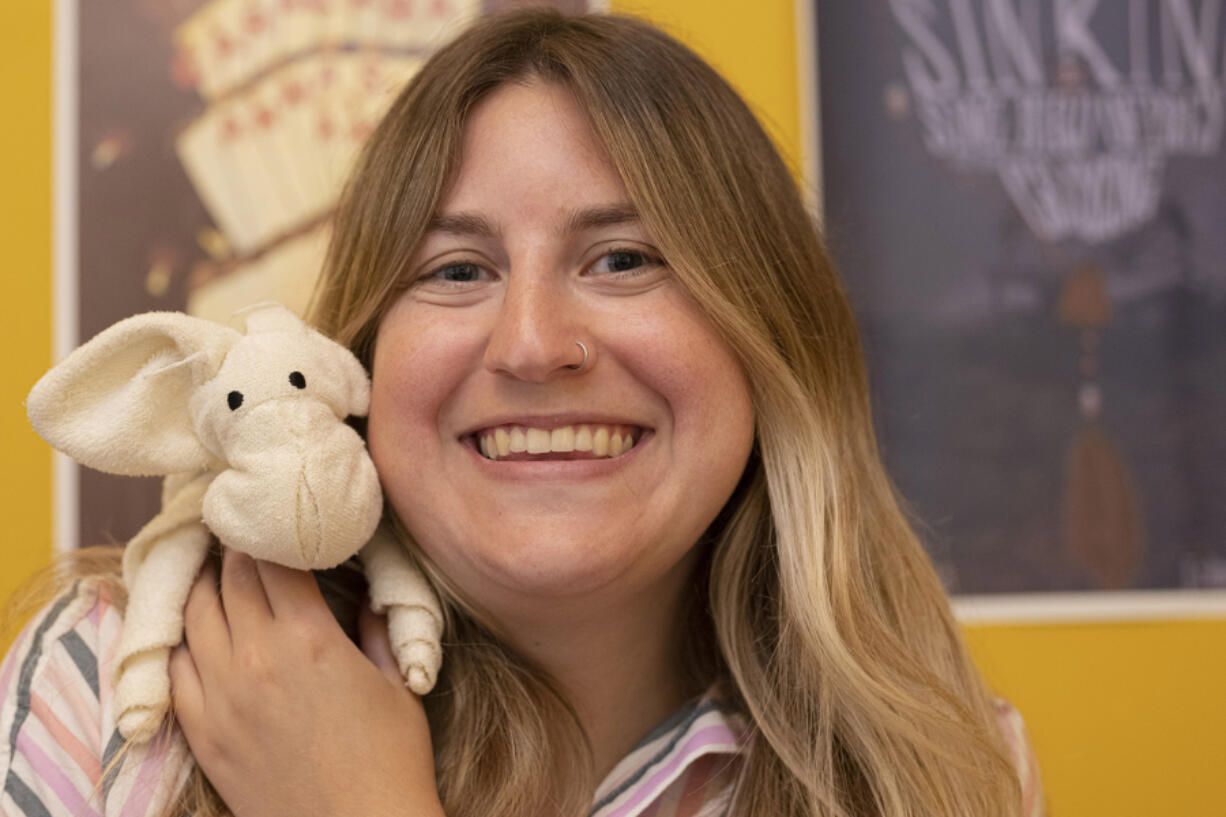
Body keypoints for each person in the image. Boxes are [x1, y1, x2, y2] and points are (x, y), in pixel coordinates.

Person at [1, 10, 1043, 817]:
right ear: (353, 362)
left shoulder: (941, 767)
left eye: (624, 259)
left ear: (766, 330)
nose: (534, 345)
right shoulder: (119, 682)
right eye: (455, 269)